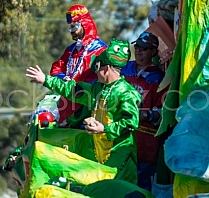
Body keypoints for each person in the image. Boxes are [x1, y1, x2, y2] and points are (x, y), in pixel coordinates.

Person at [27, 39, 142, 183]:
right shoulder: (97, 89)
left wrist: (104, 128)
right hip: (97, 154)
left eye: (97, 67)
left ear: (106, 69)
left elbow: (130, 123)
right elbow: (72, 90)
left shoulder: (126, 93)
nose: (95, 72)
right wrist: (45, 80)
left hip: (120, 160)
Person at [121, 32, 165, 189]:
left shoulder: (158, 78)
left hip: (145, 143)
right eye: (137, 47)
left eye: (144, 48)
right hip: (120, 139)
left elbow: (164, 112)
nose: (139, 51)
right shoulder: (124, 70)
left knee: (141, 189)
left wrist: (145, 115)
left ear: (153, 51)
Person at [49, 5, 107, 123]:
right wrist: (63, 78)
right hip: (66, 104)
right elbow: (56, 68)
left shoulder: (101, 50)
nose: (72, 31)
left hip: (89, 107)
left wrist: (82, 87)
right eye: (70, 28)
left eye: (74, 26)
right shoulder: (71, 50)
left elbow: (106, 80)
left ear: (85, 24)